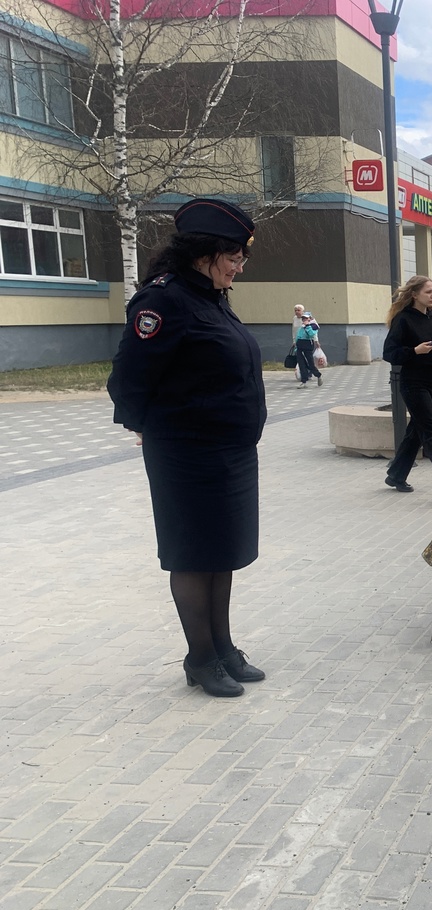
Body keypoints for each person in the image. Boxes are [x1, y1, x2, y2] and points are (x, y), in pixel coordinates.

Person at [106, 197, 267, 698]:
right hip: (187, 454)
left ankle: (223, 648)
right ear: (205, 253)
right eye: (234, 257)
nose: (239, 267)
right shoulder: (164, 301)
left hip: (229, 453)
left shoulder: (210, 296)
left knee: (221, 553)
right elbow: (129, 378)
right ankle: (200, 658)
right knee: (194, 555)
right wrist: (145, 426)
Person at [382, 276, 432, 494]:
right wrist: (415, 351)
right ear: (414, 294)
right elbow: (389, 353)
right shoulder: (403, 319)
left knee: (417, 429)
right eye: (428, 292)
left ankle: (396, 475)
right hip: (412, 382)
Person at [295, 311, 322, 388]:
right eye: (303, 318)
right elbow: (299, 335)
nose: (304, 319)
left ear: (310, 318)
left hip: (307, 346)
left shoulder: (313, 326)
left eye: (306, 318)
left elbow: (311, 334)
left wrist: (307, 326)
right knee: (301, 364)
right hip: (300, 346)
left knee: (310, 364)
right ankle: (304, 381)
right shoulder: (302, 326)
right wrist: (296, 346)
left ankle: (318, 375)